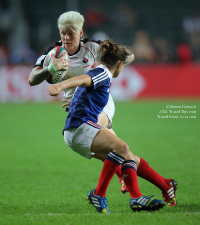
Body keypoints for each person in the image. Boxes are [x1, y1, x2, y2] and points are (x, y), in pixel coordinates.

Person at [28, 11, 178, 205]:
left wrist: (104, 67)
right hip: (80, 109)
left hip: (98, 104)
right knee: (124, 154)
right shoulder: (53, 54)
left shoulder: (93, 48)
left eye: (70, 33)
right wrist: (51, 69)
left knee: (118, 149)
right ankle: (165, 185)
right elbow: (32, 79)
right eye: (62, 33)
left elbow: (127, 55)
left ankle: (125, 191)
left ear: (80, 32)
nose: (65, 37)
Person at [46, 39, 165, 213]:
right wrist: (60, 86)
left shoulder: (100, 70)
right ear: (118, 64)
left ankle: (130, 197)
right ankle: (112, 195)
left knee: (123, 155)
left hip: (76, 131)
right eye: (123, 65)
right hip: (81, 128)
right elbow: (84, 79)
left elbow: (88, 88)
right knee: (123, 148)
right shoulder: (102, 73)